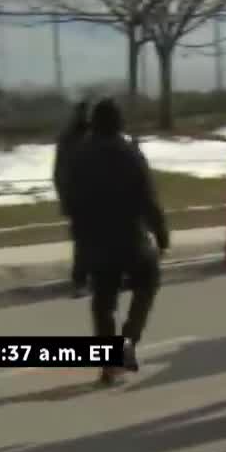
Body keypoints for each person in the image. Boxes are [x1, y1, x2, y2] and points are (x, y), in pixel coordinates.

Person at [69, 98, 169, 385]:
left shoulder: (80, 157)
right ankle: (128, 339)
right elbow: (148, 197)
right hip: (131, 235)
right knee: (147, 284)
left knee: (103, 301)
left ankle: (108, 363)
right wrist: (161, 233)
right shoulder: (130, 154)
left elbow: (73, 201)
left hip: (97, 239)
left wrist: (80, 241)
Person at [54, 100, 90, 298]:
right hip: (80, 198)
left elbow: (59, 173)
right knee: (84, 243)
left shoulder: (72, 138)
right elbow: (60, 173)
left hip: (85, 197)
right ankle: (80, 281)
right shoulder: (71, 140)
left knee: (87, 242)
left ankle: (85, 280)